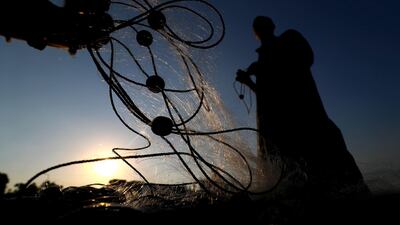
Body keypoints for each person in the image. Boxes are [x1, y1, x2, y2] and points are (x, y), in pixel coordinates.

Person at [236, 16, 370, 201]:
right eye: (258, 27)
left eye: (262, 25)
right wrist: (249, 81)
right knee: (297, 180)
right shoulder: (262, 61)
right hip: (282, 131)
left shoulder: (289, 39)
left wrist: (263, 66)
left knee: (335, 163)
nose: (261, 30)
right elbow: (267, 96)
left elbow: (306, 59)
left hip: (309, 119)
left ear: (271, 27)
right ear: (256, 34)